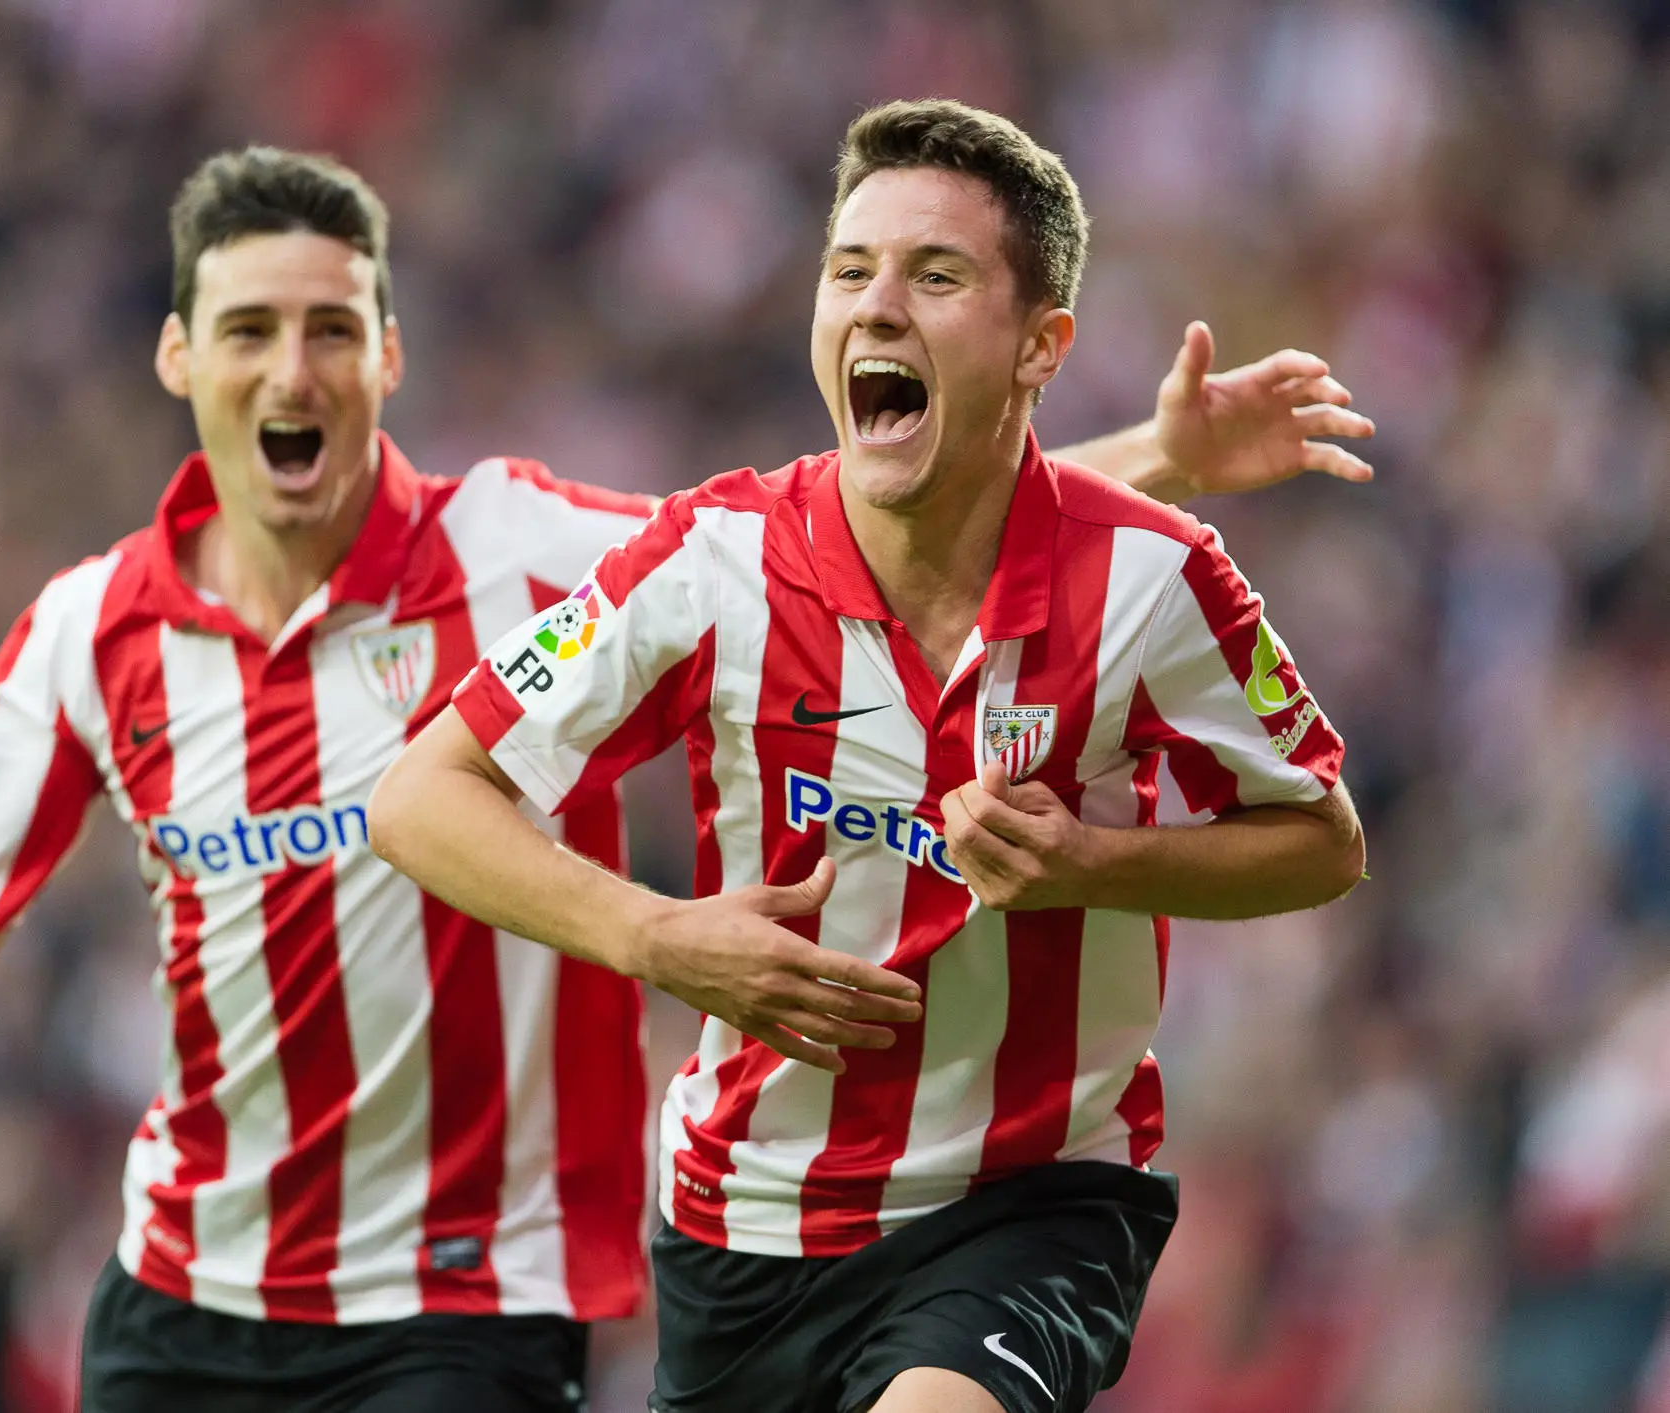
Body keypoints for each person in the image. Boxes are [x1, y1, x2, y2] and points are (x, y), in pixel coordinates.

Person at [0, 140, 1369, 1413]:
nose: (294, 368)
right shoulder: (87, 634)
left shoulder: (535, 550)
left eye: (335, 327)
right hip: (191, 1278)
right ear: (180, 358)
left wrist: (1147, 461)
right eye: (248, 329)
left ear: (390, 356)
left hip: (478, 1291)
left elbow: (871, 522)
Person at [369, 99, 1365, 1413]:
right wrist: (655, 939)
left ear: (1037, 346)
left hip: (1025, 1206)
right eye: (849, 272)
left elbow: (1321, 842)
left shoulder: (1153, 580)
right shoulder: (706, 564)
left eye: (934, 275)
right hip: (743, 1230)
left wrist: (1091, 861)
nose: (876, 305)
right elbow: (418, 796)